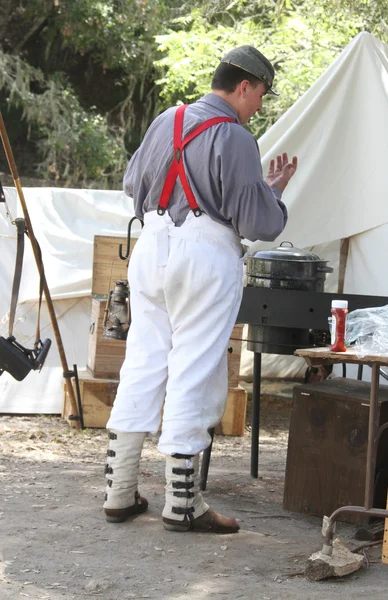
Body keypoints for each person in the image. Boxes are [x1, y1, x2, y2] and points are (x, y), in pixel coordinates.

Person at [103, 45, 297, 534]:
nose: (258, 106)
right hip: (203, 256)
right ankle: (183, 504)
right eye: (261, 95)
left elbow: (132, 184)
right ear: (245, 85)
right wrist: (272, 193)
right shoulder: (235, 136)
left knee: (144, 363)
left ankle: (119, 492)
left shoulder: (166, 119)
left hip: (150, 248)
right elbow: (257, 222)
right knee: (194, 367)